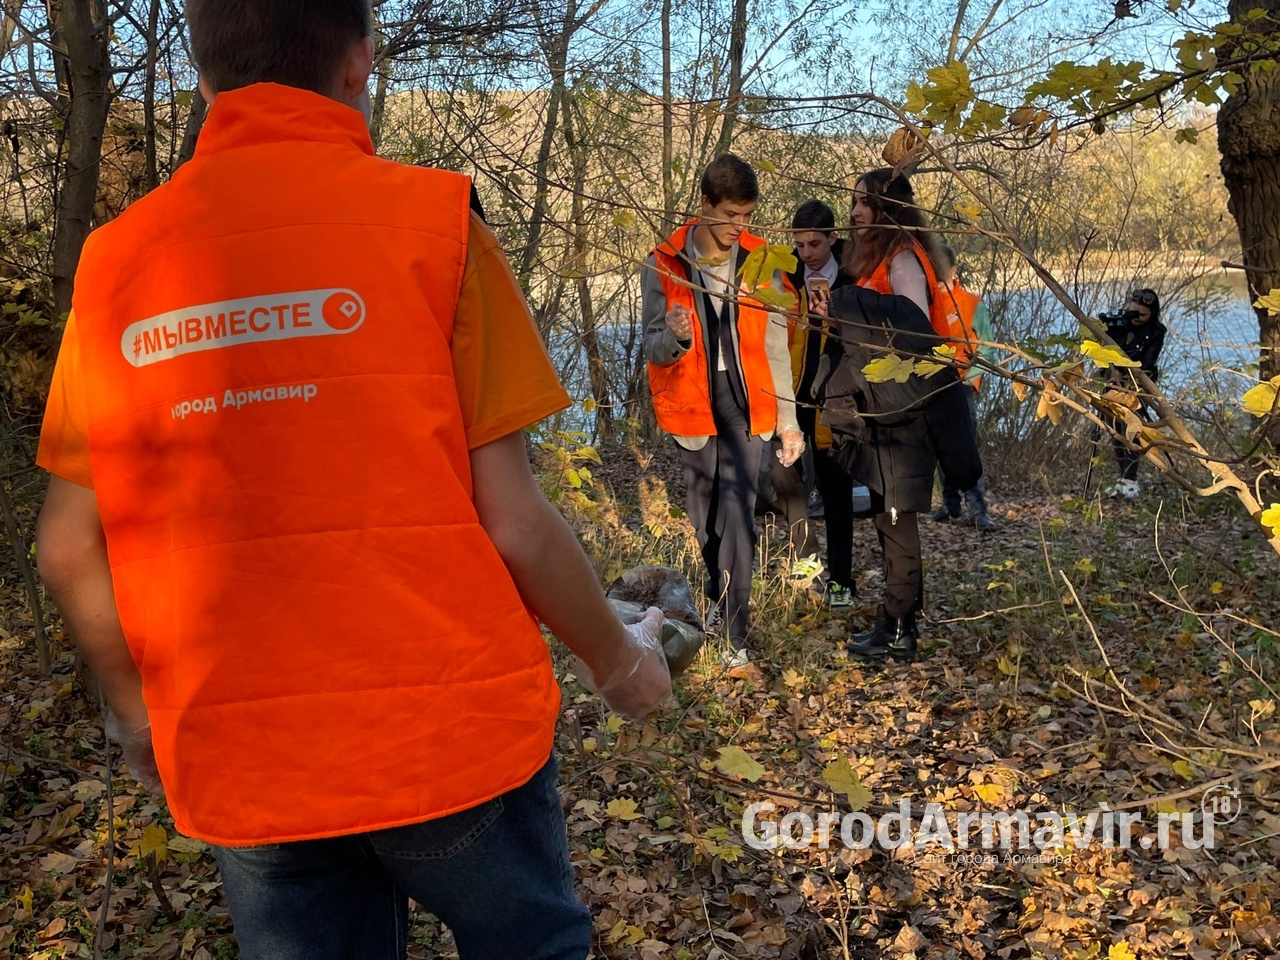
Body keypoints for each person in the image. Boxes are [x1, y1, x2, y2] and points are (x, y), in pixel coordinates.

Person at [33, 3, 671, 958]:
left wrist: (137, 715)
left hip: (251, 764)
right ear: (359, 63)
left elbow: (68, 546)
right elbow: (515, 524)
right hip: (450, 740)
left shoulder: (116, 263)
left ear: (204, 78)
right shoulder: (436, 224)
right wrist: (622, 665)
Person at [812, 168, 981, 662]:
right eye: (855, 203)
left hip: (905, 412)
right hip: (886, 407)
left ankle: (900, 628)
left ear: (888, 209)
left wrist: (844, 304)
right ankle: (898, 617)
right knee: (892, 516)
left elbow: (908, 327)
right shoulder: (881, 257)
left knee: (895, 517)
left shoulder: (904, 257)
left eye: (863, 203)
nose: (855, 212)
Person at [642, 154, 803, 667]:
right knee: (706, 518)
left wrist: (789, 419)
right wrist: (675, 336)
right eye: (731, 214)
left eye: (748, 216)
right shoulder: (663, 261)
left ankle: (734, 630)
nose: (740, 227)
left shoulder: (761, 261)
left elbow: (776, 342)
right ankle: (716, 599)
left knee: (737, 513)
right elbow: (649, 345)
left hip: (745, 399)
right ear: (705, 205)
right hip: (690, 403)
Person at [766, 199, 858, 606]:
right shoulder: (784, 277)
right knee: (788, 482)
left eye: (815, 245)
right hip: (790, 395)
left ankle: (841, 583)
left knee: (836, 491)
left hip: (835, 399)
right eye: (800, 245)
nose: (807, 254)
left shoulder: (853, 277)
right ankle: (806, 561)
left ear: (832, 239)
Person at [924, 244, 997, 530]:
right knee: (940, 445)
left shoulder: (971, 303)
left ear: (953, 270)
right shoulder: (924, 303)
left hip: (963, 385)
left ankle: (979, 510)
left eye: (941, 268)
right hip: (933, 384)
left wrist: (969, 378)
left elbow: (988, 351)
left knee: (966, 448)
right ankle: (950, 505)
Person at [1101, 288, 1166, 494]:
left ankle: (1130, 479)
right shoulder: (1119, 323)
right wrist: (1112, 371)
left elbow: (1148, 362)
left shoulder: (1157, 331)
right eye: (1133, 313)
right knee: (1114, 428)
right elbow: (1104, 349)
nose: (1136, 318)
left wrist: (1127, 374)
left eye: (1142, 315)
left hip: (1138, 384)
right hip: (1112, 382)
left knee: (1132, 428)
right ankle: (1122, 478)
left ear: (1152, 313)